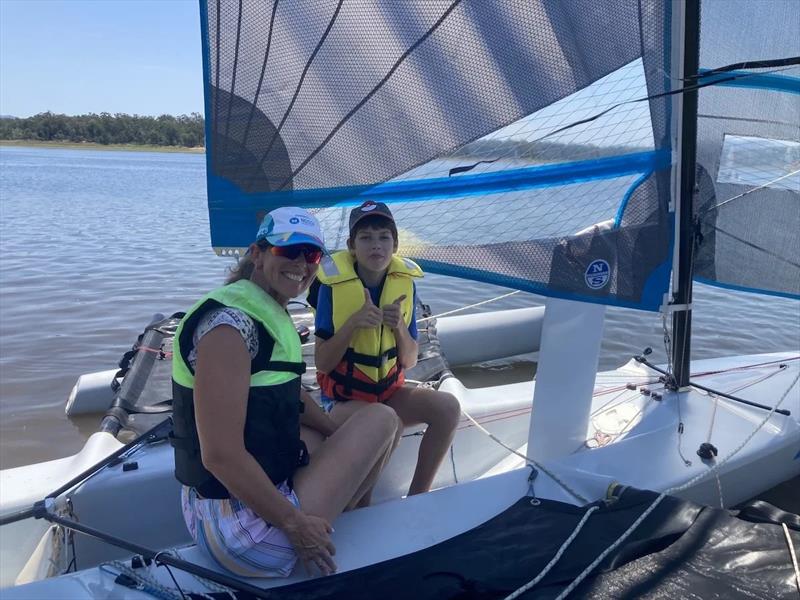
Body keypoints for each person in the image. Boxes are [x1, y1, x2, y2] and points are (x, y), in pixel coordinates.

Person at [170, 207, 399, 578]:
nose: (301, 263)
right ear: (257, 254)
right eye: (286, 251)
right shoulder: (228, 328)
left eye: (310, 255)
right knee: (382, 418)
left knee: (333, 425)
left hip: (218, 511)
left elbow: (289, 396)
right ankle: (346, 518)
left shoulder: (262, 308)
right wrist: (295, 525)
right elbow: (220, 456)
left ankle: (337, 503)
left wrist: (335, 435)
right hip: (243, 539)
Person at [314, 200, 461, 498]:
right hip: (344, 403)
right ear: (351, 245)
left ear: (395, 245)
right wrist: (353, 323)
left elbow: (408, 360)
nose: (376, 245)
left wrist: (397, 328)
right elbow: (322, 363)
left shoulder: (403, 284)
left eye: (384, 237)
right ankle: (357, 504)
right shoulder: (331, 288)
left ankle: (419, 495)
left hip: (387, 394)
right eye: (365, 237)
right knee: (386, 422)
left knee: (448, 407)